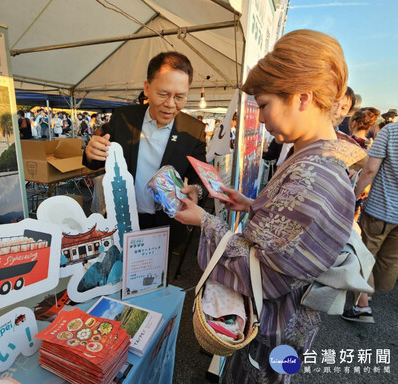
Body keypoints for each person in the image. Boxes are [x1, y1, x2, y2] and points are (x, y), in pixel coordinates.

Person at [174, 30, 366, 383]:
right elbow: (289, 229)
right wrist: (252, 205)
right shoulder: (319, 155)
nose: (260, 119)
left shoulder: (316, 175)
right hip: (286, 322)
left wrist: (204, 220)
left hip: (273, 326)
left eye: (263, 105)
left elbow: (264, 271)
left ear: (302, 97)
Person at [83, 51, 206, 248]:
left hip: (164, 223)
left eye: (180, 97)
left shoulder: (193, 130)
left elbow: (199, 175)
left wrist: (196, 190)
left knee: (155, 277)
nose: (171, 105)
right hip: (123, 216)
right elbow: (97, 158)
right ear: (147, 88)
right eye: (163, 94)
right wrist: (91, 151)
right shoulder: (123, 118)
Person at [342, 121, 398, 323]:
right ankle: (371, 290)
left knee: (362, 255)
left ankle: (362, 305)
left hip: (380, 209)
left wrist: (354, 196)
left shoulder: (391, 132)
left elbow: (370, 171)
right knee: (390, 260)